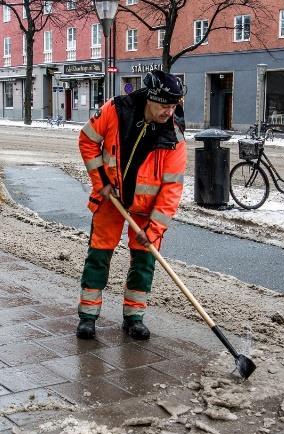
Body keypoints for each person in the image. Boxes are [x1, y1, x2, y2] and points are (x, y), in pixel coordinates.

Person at [76, 70, 187, 341]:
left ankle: (134, 317)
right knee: (99, 256)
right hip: (111, 199)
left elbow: (172, 189)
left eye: (174, 106)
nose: (168, 111)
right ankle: (88, 316)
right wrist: (100, 179)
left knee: (144, 261)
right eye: (164, 105)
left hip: (147, 209)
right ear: (150, 98)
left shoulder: (174, 138)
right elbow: (87, 139)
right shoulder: (116, 110)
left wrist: (155, 230)